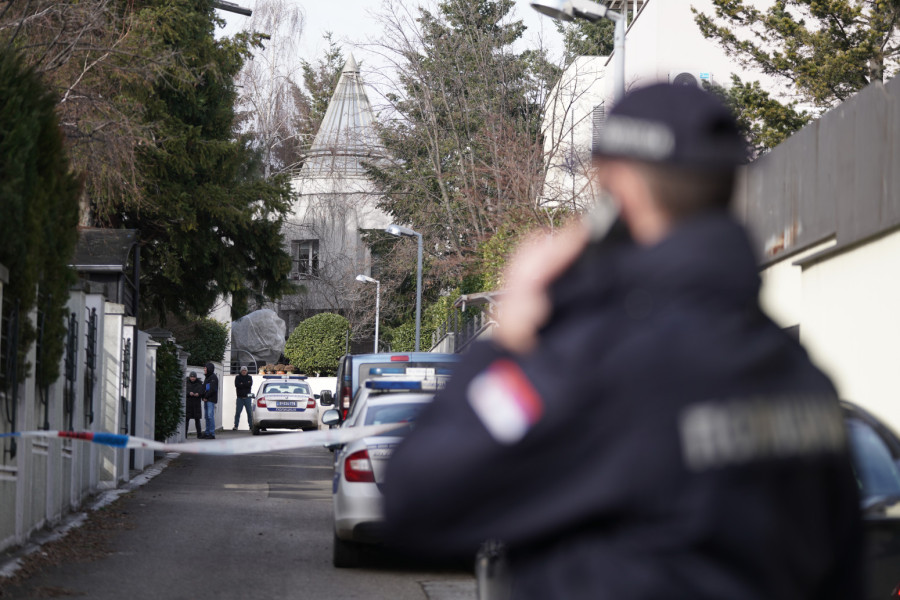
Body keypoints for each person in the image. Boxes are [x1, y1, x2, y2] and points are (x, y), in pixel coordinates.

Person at [382, 84, 863, 599]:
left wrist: (510, 339)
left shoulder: (601, 362)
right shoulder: (800, 376)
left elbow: (416, 496)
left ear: (621, 187)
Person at [201, 362, 219, 439]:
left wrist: (206, 397)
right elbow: (204, 388)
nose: (204, 369)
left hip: (210, 400)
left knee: (210, 416)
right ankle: (207, 432)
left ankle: (212, 433)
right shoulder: (208, 377)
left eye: (205, 368)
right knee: (207, 416)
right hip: (207, 399)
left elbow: (212, 390)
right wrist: (203, 396)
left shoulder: (213, 377)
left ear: (209, 369)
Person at [233, 365, 253, 431]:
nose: (244, 372)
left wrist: (242, 384)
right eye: (243, 370)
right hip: (240, 398)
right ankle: (236, 426)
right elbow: (237, 385)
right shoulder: (237, 377)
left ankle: (251, 426)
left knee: (249, 413)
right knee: (238, 413)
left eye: (245, 370)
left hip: (247, 398)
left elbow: (249, 385)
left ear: (247, 371)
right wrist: (245, 384)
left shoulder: (250, 377)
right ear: (241, 371)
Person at [185, 371, 203, 438]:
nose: (192, 378)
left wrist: (198, 394)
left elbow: (202, 391)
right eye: (191, 377)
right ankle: (185, 435)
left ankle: (199, 434)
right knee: (186, 419)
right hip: (188, 404)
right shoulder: (186, 383)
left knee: (197, 419)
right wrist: (189, 393)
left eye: (194, 377)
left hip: (196, 404)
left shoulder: (199, 383)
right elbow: (184, 391)